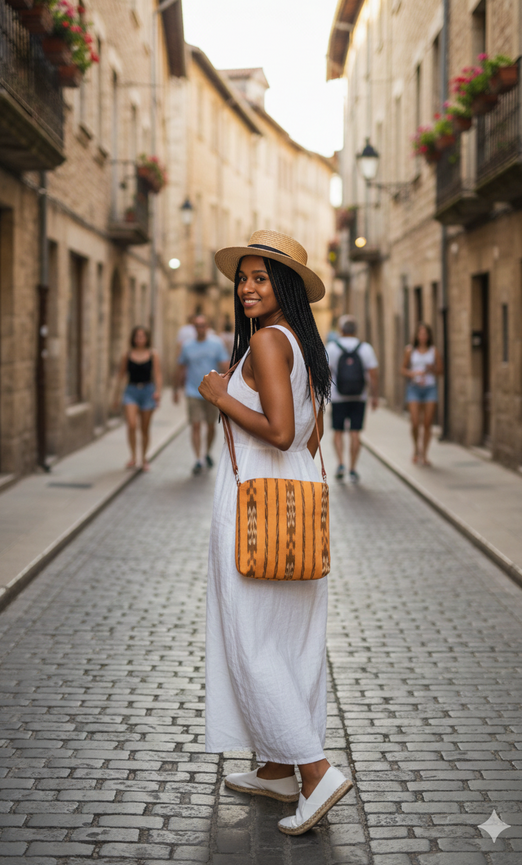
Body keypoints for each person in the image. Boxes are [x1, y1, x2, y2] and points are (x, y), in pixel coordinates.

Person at [198, 230, 353, 838]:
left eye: (261, 278)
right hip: (294, 510)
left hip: (255, 508)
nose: (247, 288)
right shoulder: (301, 346)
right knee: (287, 641)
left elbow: (283, 432)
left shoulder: (266, 342)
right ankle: (277, 768)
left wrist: (219, 393)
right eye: (243, 278)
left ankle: (314, 772)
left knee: (253, 643)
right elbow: (310, 437)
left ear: (284, 286)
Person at [174, 315, 229, 475]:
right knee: (196, 425)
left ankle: (207, 453)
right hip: (192, 391)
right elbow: (180, 367)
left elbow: (225, 366)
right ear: (194, 328)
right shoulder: (187, 346)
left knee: (211, 426)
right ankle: (198, 459)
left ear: (207, 327)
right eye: (197, 326)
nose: (200, 328)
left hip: (212, 392)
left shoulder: (216, 344)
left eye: (203, 325)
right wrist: (176, 390)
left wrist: (226, 388)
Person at [326, 315, 378, 483]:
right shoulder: (365, 348)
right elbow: (373, 374)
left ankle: (340, 463)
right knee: (355, 433)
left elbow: (326, 373)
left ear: (341, 330)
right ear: (355, 330)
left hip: (338, 397)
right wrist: (374, 396)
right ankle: (353, 468)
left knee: (338, 432)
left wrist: (325, 395)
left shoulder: (332, 347)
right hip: (359, 396)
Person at [113, 326, 162, 472]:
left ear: (146, 338)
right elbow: (121, 376)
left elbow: (158, 374)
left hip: (147, 392)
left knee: (145, 428)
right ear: (133, 338)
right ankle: (133, 457)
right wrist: (116, 396)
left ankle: (144, 458)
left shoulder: (153, 354)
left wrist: (158, 391)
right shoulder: (127, 355)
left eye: (142, 336)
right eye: (137, 336)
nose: (140, 339)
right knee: (132, 425)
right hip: (131, 392)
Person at [401, 322, 443, 465]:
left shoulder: (433, 351)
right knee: (414, 422)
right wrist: (412, 373)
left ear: (429, 336)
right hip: (414, 388)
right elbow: (403, 369)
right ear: (417, 335)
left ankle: (424, 454)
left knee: (427, 423)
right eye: (420, 333)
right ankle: (416, 449)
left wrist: (432, 369)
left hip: (430, 388)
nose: (423, 336)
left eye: (425, 334)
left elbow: (440, 371)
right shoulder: (410, 350)